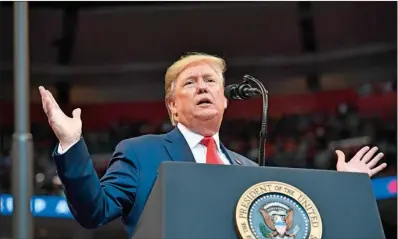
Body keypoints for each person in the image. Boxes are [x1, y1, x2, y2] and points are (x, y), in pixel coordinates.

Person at [39, 52, 387, 238]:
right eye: (190, 82)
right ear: (172, 106)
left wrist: (344, 188)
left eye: (210, 81)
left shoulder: (248, 171)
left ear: (225, 100)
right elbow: (93, 212)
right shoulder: (140, 152)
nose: (203, 87)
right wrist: (72, 144)